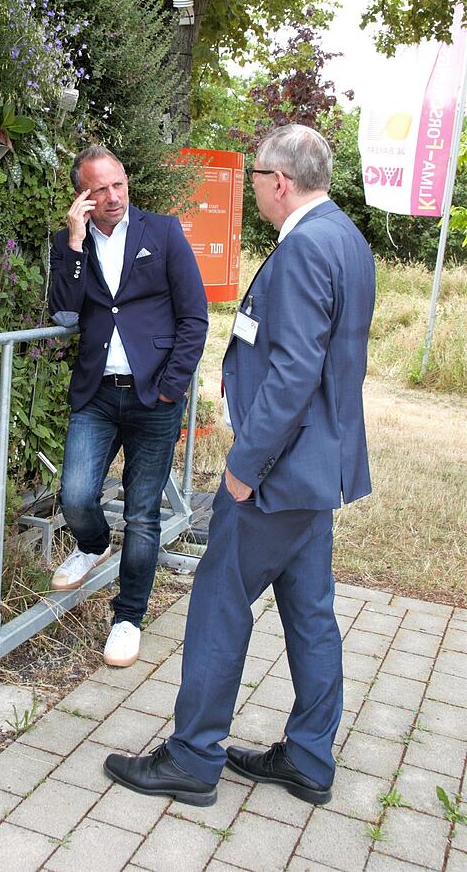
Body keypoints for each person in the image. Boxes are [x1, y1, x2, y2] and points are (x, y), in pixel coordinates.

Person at [104, 124, 375, 805]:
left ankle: (194, 756)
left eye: (256, 176)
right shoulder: (346, 236)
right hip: (317, 469)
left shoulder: (308, 247)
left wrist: (243, 469)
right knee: (310, 610)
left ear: (279, 181)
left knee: (220, 598)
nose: (254, 186)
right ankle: (310, 756)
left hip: (277, 473)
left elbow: (292, 374)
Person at [48, 145, 208, 667]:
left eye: (117, 184)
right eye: (99, 188)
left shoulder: (162, 232)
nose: (112, 196)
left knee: (142, 515)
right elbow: (66, 315)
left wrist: (171, 387)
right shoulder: (68, 244)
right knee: (75, 495)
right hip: (97, 392)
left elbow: (194, 317)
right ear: (83, 196)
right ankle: (93, 545)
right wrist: (74, 242)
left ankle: (128, 617)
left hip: (153, 395)